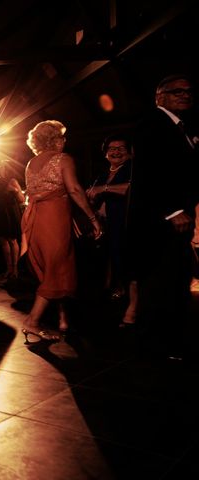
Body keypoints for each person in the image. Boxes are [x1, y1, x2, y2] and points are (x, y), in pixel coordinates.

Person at [127, 74, 199, 362]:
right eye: (177, 91)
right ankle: (155, 348)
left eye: (189, 91)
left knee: (178, 282)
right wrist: (172, 209)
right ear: (160, 97)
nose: (185, 95)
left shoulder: (183, 128)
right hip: (159, 222)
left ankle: (172, 344)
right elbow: (150, 171)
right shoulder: (152, 124)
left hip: (177, 219)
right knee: (161, 284)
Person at [20, 120, 102, 342]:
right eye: (62, 137)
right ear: (54, 139)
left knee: (57, 266)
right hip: (54, 220)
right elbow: (74, 189)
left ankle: (63, 320)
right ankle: (32, 321)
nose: (65, 141)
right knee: (57, 267)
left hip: (37, 220)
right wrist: (92, 218)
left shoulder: (31, 163)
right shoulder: (63, 159)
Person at [87, 133, 137, 326]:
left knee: (129, 264)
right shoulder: (103, 173)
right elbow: (92, 194)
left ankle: (132, 307)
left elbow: (131, 189)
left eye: (121, 148)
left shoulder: (133, 169)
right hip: (107, 225)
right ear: (105, 153)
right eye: (112, 149)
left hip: (127, 224)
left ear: (130, 152)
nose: (116, 152)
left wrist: (104, 189)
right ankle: (116, 292)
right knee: (111, 261)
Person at [0, 160, 24, 284]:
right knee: (3, 240)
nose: (0, 168)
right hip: (0, 212)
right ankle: (8, 268)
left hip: (11, 212)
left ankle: (15, 269)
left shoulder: (13, 181)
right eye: (0, 166)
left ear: (7, 169)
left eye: (2, 167)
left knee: (13, 240)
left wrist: (15, 191)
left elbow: (21, 199)